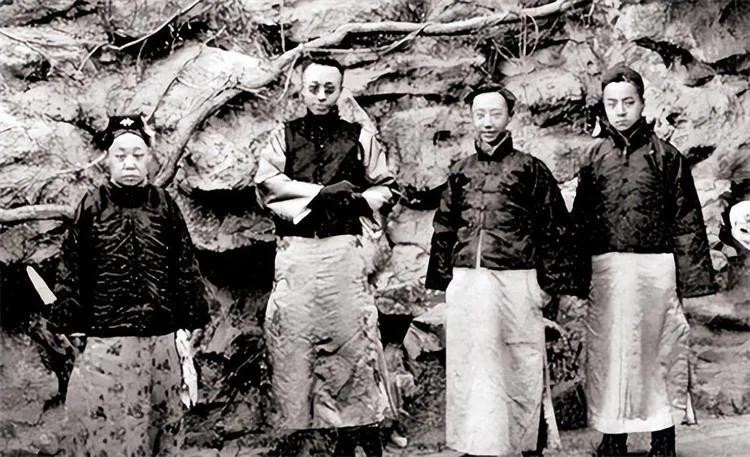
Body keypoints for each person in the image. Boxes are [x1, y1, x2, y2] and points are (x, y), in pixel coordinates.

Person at [425, 85, 585, 457]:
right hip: (469, 281)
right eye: (480, 114)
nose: (487, 122)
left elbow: (554, 229)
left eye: (495, 114)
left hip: (516, 280)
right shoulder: (460, 171)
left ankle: (525, 444)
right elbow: (445, 227)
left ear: (509, 116)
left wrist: (547, 287)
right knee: (472, 363)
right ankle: (476, 443)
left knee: (520, 362)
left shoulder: (530, 168)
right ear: (471, 118)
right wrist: (446, 281)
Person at [253, 57, 397, 457]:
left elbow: (385, 187)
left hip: (342, 251)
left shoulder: (359, 136)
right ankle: (304, 433)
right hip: (296, 253)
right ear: (302, 90)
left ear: (340, 91)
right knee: (294, 343)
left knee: (353, 341)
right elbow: (266, 184)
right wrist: (318, 194)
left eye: (329, 89)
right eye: (313, 88)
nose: (320, 96)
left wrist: (358, 201)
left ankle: (357, 430)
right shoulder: (283, 137)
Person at [571, 65, 716, 457]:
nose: (620, 111)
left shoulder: (666, 157)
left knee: (659, 350)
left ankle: (662, 436)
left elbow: (686, 219)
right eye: (612, 103)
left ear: (642, 103)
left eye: (628, 102)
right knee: (609, 352)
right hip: (607, 269)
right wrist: (575, 276)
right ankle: (613, 436)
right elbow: (581, 221)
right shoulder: (594, 158)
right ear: (603, 106)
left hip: (654, 267)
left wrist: (690, 280)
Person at [46, 114, 209, 456]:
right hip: (108, 341)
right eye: (120, 155)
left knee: (160, 430)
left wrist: (194, 316)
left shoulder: (165, 205)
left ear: (150, 158)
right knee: (111, 434)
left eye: (138, 154)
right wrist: (69, 322)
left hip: (161, 340)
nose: (130, 163)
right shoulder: (91, 206)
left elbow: (185, 265)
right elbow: (72, 268)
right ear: (107, 160)